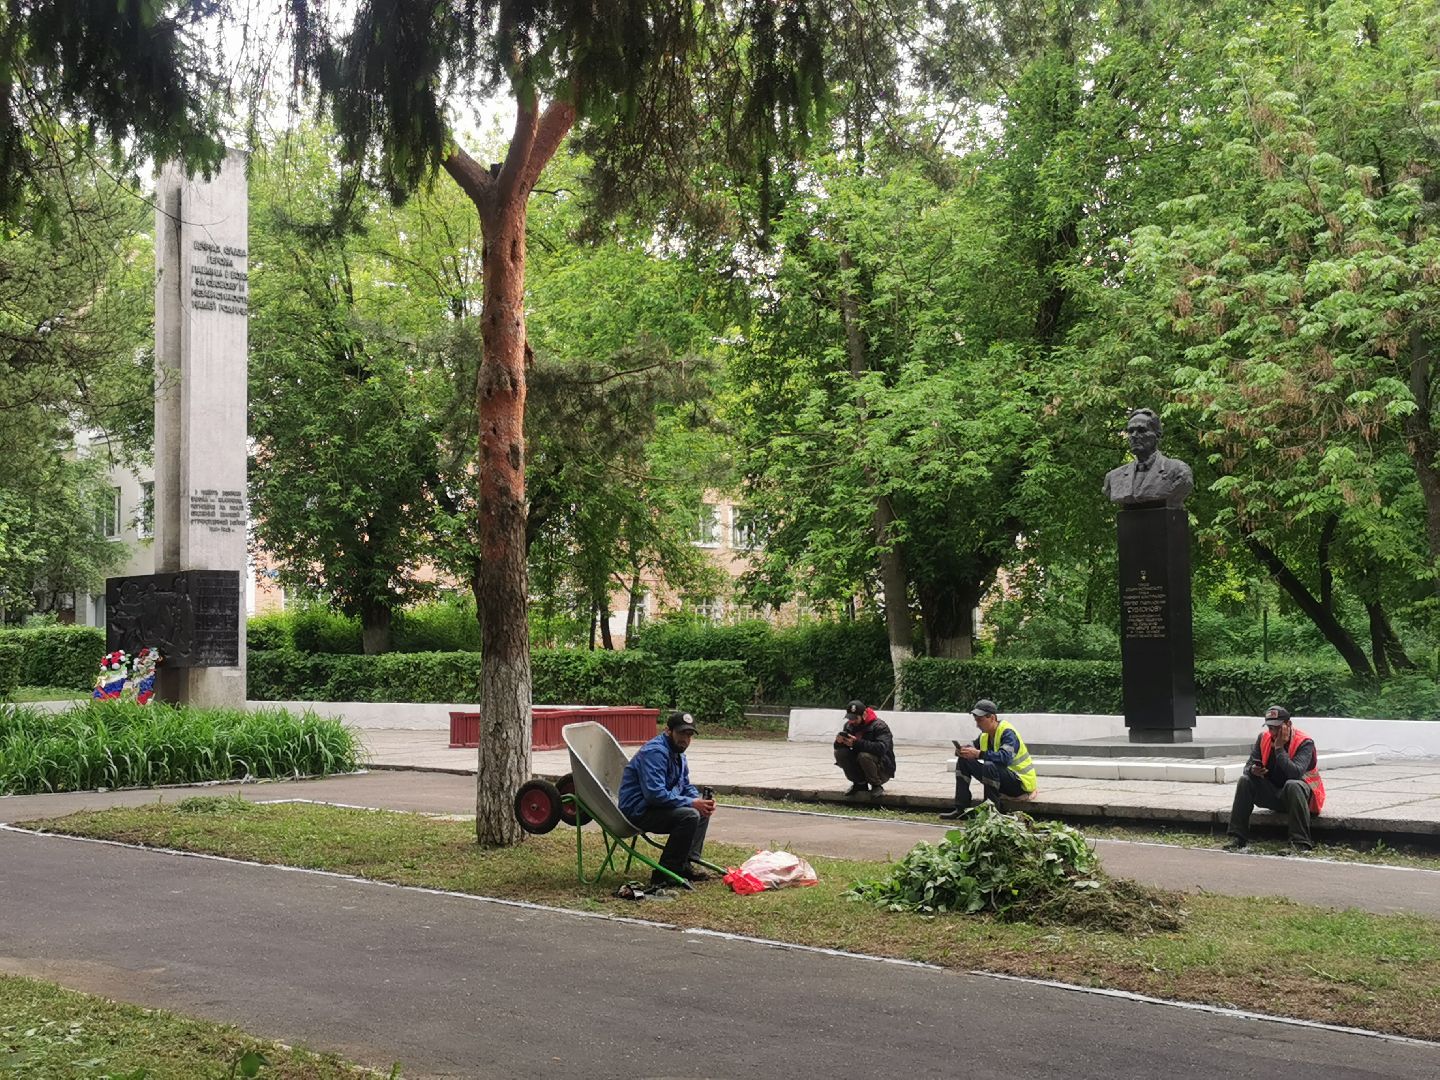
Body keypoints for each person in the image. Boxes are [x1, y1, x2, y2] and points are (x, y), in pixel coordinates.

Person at [617, 710, 718, 885]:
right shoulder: (655, 752)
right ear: (668, 731)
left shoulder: (678, 753)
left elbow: (684, 785)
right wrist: (692, 803)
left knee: (700, 811)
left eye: (689, 735)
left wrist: (699, 801)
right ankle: (665, 872)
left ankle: (685, 863)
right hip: (638, 810)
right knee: (690, 814)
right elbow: (655, 795)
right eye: (681, 733)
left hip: (654, 807)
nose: (685, 739)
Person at [1223, 705, 1325, 852]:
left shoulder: (1305, 742)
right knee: (1245, 781)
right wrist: (1253, 770)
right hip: (1274, 794)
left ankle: (1300, 842)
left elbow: (1295, 773)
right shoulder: (1263, 738)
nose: (1272, 732)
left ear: (1288, 724)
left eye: (1277, 727)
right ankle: (1237, 837)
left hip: (1300, 799)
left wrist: (1279, 748)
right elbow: (1247, 767)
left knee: (1293, 784)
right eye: (1270, 727)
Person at [939, 699, 1037, 819]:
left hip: (1019, 784)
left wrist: (978, 754)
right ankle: (961, 809)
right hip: (1000, 779)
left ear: (992, 718)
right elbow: (973, 748)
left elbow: (1005, 758)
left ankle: (992, 813)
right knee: (964, 761)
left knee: (990, 765)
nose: (977, 725)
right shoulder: (984, 735)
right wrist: (962, 752)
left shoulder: (1008, 733)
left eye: (980, 720)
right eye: (976, 721)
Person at [1102, 407, 1194, 507]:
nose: (1134, 435)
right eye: (1130, 431)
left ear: (1157, 435)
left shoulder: (1178, 471)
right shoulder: (1113, 477)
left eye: (1142, 430)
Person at [833, 699, 895, 798]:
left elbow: (881, 748)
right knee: (840, 753)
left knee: (864, 755)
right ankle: (859, 784)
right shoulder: (849, 726)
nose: (852, 721)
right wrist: (839, 742)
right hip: (860, 765)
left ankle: (876, 785)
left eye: (855, 718)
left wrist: (856, 743)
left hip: (882, 768)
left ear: (864, 714)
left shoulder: (879, 726)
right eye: (850, 718)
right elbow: (843, 748)